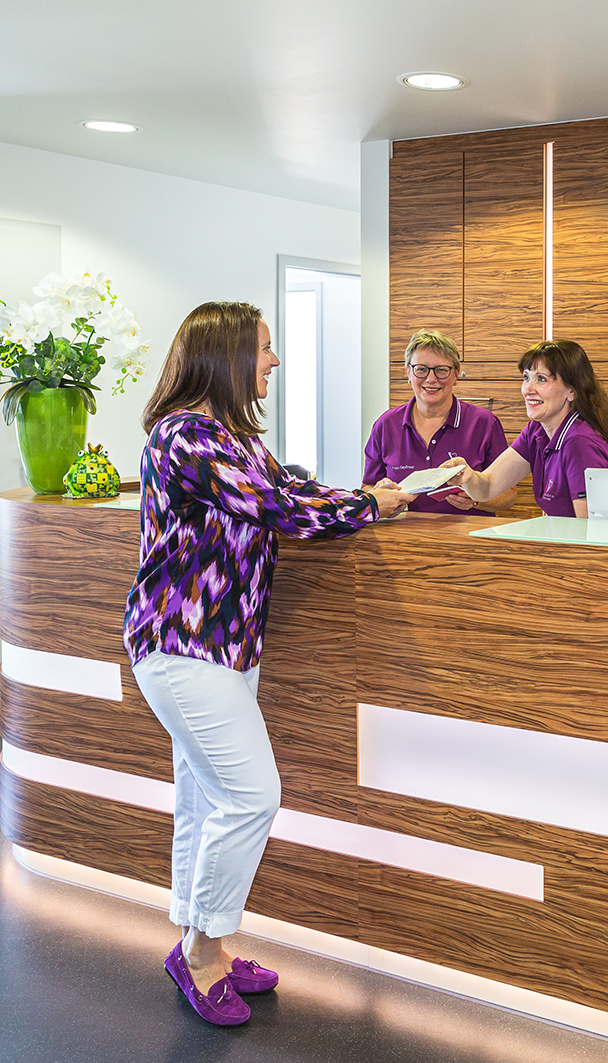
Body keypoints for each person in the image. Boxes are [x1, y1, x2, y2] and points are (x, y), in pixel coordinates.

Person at [122, 301, 412, 1027]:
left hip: (223, 649)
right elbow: (277, 506)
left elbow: (295, 489)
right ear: (225, 357)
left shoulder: (235, 438)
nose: (274, 361)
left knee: (204, 799)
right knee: (252, 797)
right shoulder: (184, 437)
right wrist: (370, 506)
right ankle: (201, 953)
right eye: (263, 348)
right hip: (183, 646)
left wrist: (366, 498)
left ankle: (202, 944)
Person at [448, 339, 608, 517]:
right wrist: (468, 476)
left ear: (571, 391)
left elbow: (588, 529)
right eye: (526, 377)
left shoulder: (579, 443)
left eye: (541, 379)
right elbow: (488, 486)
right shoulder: (536, 431)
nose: (528, 389)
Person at [361, 329, 515, 514]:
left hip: (471, 531)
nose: (431, 379)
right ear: (408, 372)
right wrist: (379, 495)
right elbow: (367, 487)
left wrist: (476, 500)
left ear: (456, 374)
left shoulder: (485, 424)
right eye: (421, 369)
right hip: (403, 531)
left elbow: (509, 496)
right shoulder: (385, 425)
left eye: (441, 370)